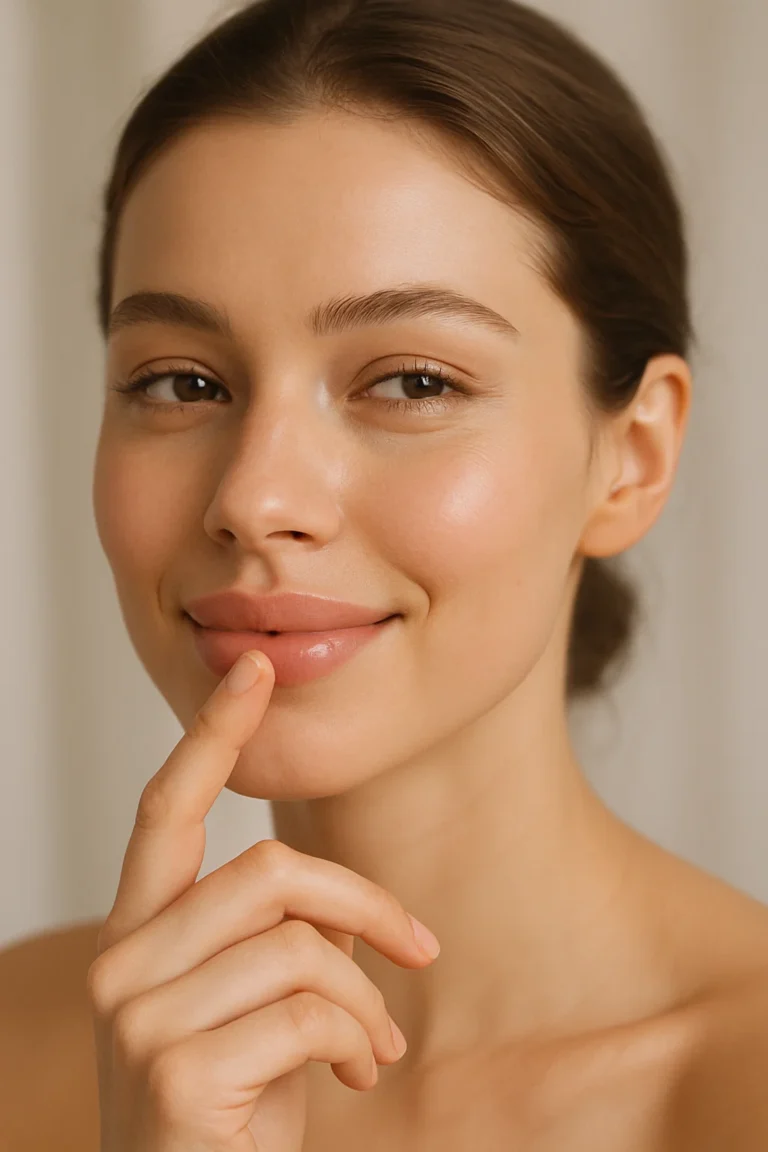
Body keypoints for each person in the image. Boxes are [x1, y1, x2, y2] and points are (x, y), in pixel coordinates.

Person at [3, 0, 768, 1147]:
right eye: (180, 383)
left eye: (412, 383)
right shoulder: (22, 1041)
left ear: (632, 458)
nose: (253, 499)